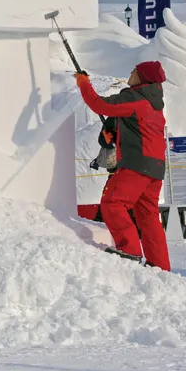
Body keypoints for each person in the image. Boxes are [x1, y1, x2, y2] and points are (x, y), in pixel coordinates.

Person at [76, 60, 170, 270]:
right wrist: (114, 134)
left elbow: (100, 105)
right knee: (147, 216)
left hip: (137, 164)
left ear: (143, 77)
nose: (131, 72)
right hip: (155, 168)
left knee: (113, 202)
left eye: (135, 71)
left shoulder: (136, 97)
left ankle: (130, 251)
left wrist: (83, 83)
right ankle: (160, 266)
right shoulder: (153, 103)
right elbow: (140, 130)